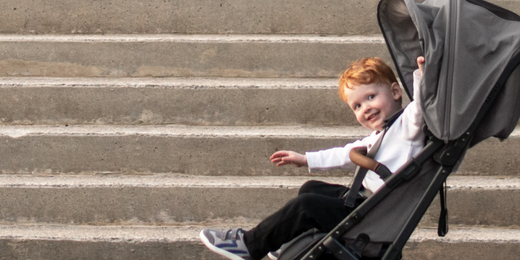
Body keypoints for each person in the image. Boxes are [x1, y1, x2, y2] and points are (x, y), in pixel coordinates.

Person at [199, 57, 426, 260]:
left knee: (306, 206)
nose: (365, 108)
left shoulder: (407, 127)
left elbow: (422, 106)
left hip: (375, 217)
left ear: (396, 92)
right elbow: (342, 153)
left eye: (371, 97)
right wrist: (305, 159)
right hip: (367, 204)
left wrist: (424, 76)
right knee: (311, 188)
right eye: (357, 105)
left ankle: (250, 244)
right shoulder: (380, 134)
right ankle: (283, 238)